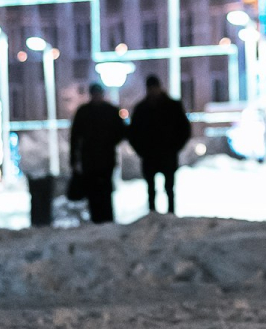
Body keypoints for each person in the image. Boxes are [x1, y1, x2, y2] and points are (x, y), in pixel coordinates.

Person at [127, 75, 191, 215]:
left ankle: (169, 214)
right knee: (152, 188)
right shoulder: (142, 108)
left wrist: (174, 147)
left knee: (168, 188)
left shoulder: (171, 106)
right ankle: (153, 214)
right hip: (152, 154)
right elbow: (133, 133)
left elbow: (184, 129)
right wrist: (142, 150)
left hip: (166, 153)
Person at [69, 83, 126, 223]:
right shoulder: (104, 111)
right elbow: (75, 137)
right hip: (94, 158)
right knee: (96, 191)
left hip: (101, 158)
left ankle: (104, 218)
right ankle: (101, 218)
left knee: (103, 190)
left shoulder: (89, 112)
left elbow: (75, 137)